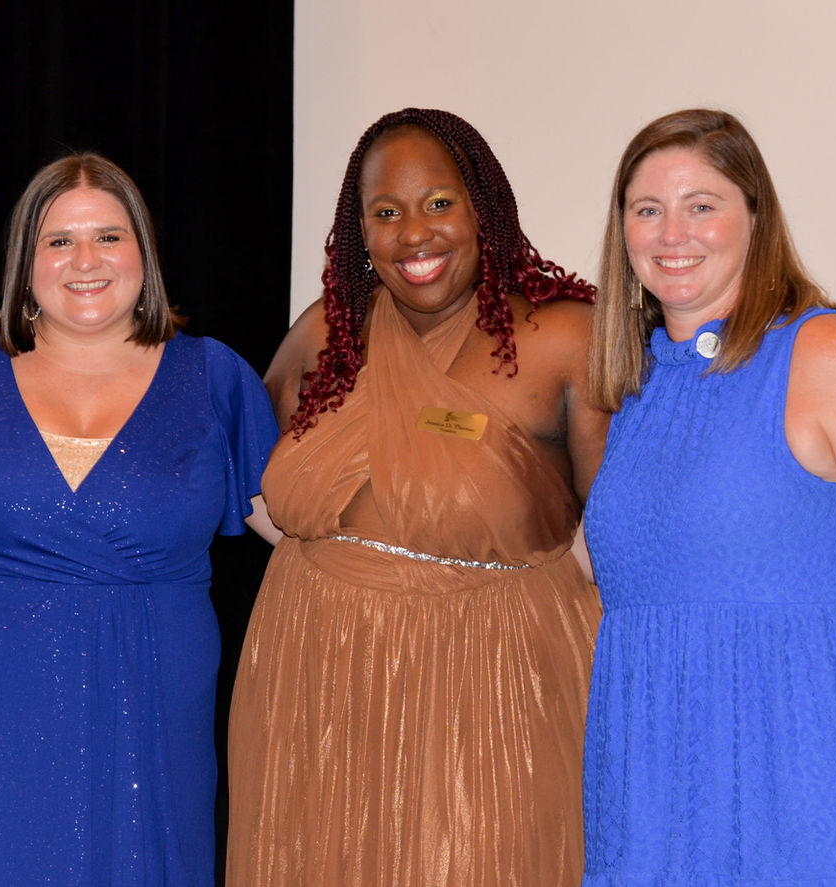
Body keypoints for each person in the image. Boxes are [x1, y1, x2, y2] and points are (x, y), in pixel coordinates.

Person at [582, 108, 836, 885]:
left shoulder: (826, 353)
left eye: (702, 205)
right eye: (647, 209)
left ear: (755, 218)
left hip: (814, 781)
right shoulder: (633, 389)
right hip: (656, 798)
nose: (672, 233)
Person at [228, 108, 604, 886]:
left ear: (483, 209)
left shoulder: (566, 338)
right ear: (359, 231)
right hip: (314, 680)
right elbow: (249, 474)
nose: (414, 234)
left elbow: (626, 534)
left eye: (438, 203)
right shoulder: (330, 329)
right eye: (386, 212)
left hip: (489, 682)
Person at [0, 152, 278, 886]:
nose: (86, 260)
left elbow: (296, 531)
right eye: (59, 240)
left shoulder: (216, 377)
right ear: (24, 261)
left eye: (108, 236)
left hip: (149, 694)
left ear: (144, 251)